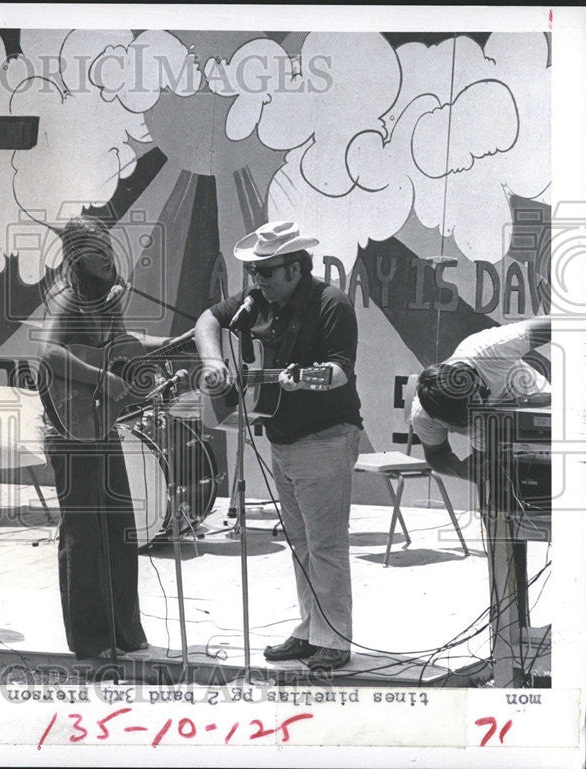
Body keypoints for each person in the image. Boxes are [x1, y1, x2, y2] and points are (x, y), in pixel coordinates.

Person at [194, 221, 363, 672]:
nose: (257, 282)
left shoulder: (332, 304)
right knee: (302, 543)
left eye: (265, 273)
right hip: (283, 437)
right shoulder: (258, 302)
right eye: (253, 273)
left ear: (294, 268)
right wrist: (213, 363)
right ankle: (311, 629)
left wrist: (309, 378)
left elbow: (341, 369)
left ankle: (335, 638)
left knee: (325, 544)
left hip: (326, 436)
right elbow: (208, 319)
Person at [38, 215, 170, 660]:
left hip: (98, 425)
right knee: (83, 533)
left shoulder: (106, 301)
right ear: (78, 258)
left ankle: (123, 632)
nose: (107, 257)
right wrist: (103, 379)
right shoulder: (68, 299)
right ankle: (92, 641)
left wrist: (179, 342)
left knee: (118, 528)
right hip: (68, 429)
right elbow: (49, 353)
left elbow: (122, 344)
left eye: (107, 249)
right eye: (97, 251)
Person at [411, 318, 551, 480]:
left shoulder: (490, 349)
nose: (477, 421)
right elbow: (436, 455)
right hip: (494, 448)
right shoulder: (423, 415)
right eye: (465, 424)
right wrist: (460, 469)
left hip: (542, 422)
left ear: (474, 385)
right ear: (438, 419)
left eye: (476, 407)